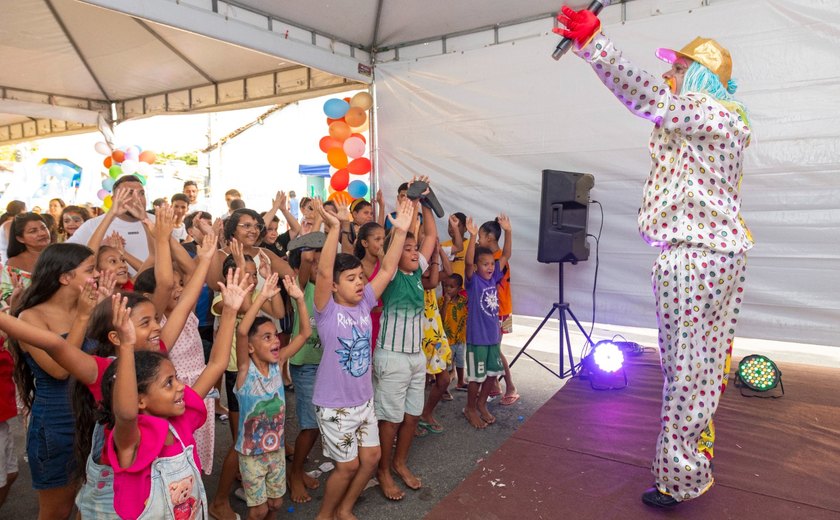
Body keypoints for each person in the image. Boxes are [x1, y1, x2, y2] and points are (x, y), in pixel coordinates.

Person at [556, 5, 753, 508]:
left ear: (702, 78)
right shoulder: (722, 121)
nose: (670, 74)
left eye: (680, 68)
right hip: (715, 254)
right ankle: (694, 456)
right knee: (703, 366)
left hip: (694, 258)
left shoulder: (705, 112)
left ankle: (678, 477)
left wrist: (595, 45)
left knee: (686, 369)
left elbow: (648, 97)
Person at [102, 267, 246, 520]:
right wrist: (126, 345)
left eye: (176, 378)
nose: (180, 386)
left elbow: (216, 365)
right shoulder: (131, 438)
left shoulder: (181, 419)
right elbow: (125, 413)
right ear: (140, 400)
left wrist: (230, 311)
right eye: (169, 383)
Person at [311, 198, 413, 520]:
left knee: (370, 459)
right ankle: (325, 515)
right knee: (347, 466)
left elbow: (388, 269)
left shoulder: (366, 301)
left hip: (363, 399)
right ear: (334, 286)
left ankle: (345, 509)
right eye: (351, 278)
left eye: (360, 276)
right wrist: (335, 228)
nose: (359, 282)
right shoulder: (327, 311)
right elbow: (323, 271)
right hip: (334, 404)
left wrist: (400, 232)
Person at [8, 243, 99, 519]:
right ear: (65, 277)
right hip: (57, 425)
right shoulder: (30, 316)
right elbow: (59, 370)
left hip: (94, 418)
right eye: (90, 270)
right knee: (57, 511)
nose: (97, 275)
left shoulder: (89, 306)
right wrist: (83, 317)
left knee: (93, 504)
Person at [374, 177, 437, 501]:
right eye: (407, 250)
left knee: (412, 415)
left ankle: (399, 462)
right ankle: (383, 470)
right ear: (395, 254)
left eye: (415, 250)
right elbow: (397, 247)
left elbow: (431, 236)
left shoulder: (415, 275)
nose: (414, 253)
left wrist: (424, 201)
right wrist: (404, 214)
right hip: (392, 358)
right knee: (391, 419)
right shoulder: (391, 276)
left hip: (415, 357)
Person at [233, 273, 310, 519]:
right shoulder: (245, 371)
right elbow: (242, 331)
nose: (275, 341)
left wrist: (299, 299)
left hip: (276, 450)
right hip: (251, 454)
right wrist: (263, 296)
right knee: (258, 510)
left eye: (275, 335)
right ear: (250, 347)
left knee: (275, 504)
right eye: (267, 337)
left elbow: (304, 334)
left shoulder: (278, 364)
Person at [462, 215, 511, 429]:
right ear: (476, 267)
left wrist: (508, 231)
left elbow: (506, 254)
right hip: (477, 339)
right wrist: (473, 236)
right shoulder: (473, 282)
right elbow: (467, 262)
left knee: (492, 374)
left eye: (492, 264)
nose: (490, 267)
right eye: (485, 264)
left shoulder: (494, 278)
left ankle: (481, 404)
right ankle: (470, 408)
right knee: (476, 377)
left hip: (493, 337)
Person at [286, 238, 324, 504]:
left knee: (319, 423)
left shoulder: (330, 289)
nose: (319, 267)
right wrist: (311, 242)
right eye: (315, 263)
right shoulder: (301, 289)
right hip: (306, 365)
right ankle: (294, 474)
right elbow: (306, 260)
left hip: (326, 364)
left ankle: (298, 470)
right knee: (310, 425)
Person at [68, 175, 152, 274]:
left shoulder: (160, 222)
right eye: (129, 193)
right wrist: (100, 247)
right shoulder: (92, 225)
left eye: (141, 193)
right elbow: (66, 258)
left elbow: (157, 260)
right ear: (114, 199)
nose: (137, 199)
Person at [477, 218, 520, 406]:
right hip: (497, 310)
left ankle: (510, 387)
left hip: (499, 311)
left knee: (494, 350)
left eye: (479, 237)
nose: (478, 240)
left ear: (489, 237)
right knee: (491, 349)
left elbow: (507, 253)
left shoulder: (496, 260)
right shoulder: (493, 257)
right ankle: (494, 386)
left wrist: (508, 231)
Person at [1, 213, 51, 304]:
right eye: (33, 231)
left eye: (44, 228)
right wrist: (21, 295)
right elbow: (7, 298)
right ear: (20, 239)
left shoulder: (62, 254)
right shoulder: (14, 263)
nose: (42, 233)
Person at [440, 273, 468, 390]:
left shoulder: (463, 301)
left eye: (451, 287)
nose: (448, 289)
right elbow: (441, 319)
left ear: (459, 289)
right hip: (447, 340)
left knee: (460, 361)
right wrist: (446, 303)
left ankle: (460, 381)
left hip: (460, 338)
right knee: (446, 364)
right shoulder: (441, 301)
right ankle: (443, 387)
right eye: (445, 286)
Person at [440, 213, 466, 286]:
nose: (452, 228)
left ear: (465, 228)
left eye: (457, 225)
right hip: (447, 288)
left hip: (465, 288)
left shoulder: (473, 245)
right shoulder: (442, 246)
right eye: (450, 225)